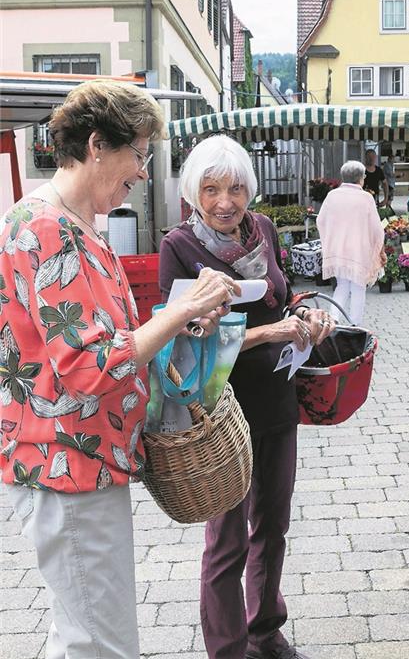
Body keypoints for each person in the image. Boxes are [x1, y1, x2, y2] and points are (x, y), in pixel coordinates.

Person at [0, 80, 236, 659]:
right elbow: (86, 366)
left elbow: (116, 341)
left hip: (84, 463)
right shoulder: (47, 229)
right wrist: (181, 308)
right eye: (140, 152)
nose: (143, 169)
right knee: (100, 645)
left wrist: (184, 322)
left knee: (85, 635)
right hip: (68, 466)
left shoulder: (79, 226)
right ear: (98, 145)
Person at [159, 135, 336, 659]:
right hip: (218, 414)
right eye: (211, 189)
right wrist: (267, 334)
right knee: (227, 540)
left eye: (235, 188)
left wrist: (305, 316)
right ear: (193, 192)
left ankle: (265, 630)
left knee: (274, 525)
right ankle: (229, 649)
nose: (224, 202)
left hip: (276, 400)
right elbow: (181, 334)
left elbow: (283, 295)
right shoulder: (179, 246)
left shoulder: (263, 230)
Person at [317, 160, 386, 326]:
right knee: (358, 287)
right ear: (361, 178)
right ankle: (355, 324)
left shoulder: (332, 195)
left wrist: (331, 238)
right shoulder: (366, 198)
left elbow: (320, 221)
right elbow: (377, 228)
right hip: (358, 250)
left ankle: (333, 319)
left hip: (338, 248)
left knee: (342, 285)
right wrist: (380, 250)